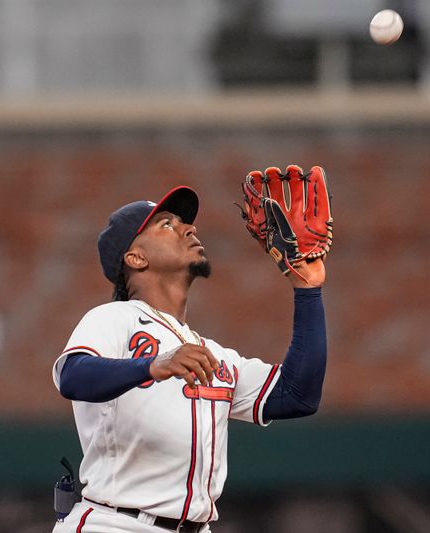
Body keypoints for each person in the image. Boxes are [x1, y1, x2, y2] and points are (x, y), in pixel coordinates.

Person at [52, 184, 327, 533]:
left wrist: (308, 290)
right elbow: (72, 376)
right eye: (167, 224)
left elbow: (297, 396)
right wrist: (151, 365)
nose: (189, 228)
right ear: (135, 258)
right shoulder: (114, 319)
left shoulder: (209, 353)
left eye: (184, 223)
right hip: (114, 523)